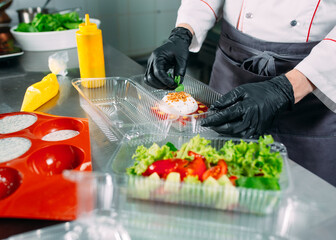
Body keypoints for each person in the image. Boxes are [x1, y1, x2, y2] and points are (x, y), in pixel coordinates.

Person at [144, 0, 336, 186]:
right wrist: (184, 31)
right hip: (231, 72)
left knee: (304, 195)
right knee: (216, 184)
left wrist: (287, 88)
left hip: (313, 83)